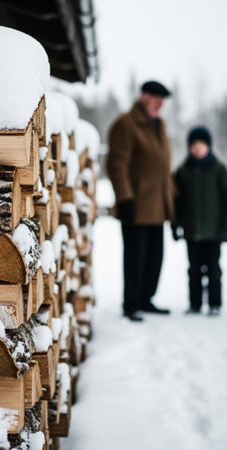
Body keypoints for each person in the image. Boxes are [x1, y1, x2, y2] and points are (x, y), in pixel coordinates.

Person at [107, 80, 174, 322]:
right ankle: (132, 303)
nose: (159, 103)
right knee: (135, 257)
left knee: (155, 258)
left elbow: (164, 169)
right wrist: (124, 198)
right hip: (135, 206)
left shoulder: (160, 125)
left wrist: (171, 205)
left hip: (157, 207)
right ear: (143, 96)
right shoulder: (126, 124)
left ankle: (146, 299)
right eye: (155, 97)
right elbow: (117, 166)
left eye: (162, 99)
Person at [172, 126, 227, 316]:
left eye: (201, 145)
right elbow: (176, 201)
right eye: (194, 145)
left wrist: (224, 228)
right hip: (191, 230)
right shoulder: (183, 171)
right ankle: (195, 303)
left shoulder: (219, 170)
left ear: (209, 147)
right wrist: (175, 224)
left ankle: (214, 303)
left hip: (213, 231)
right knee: (194, 269)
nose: (197, 149)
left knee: (213, 269)